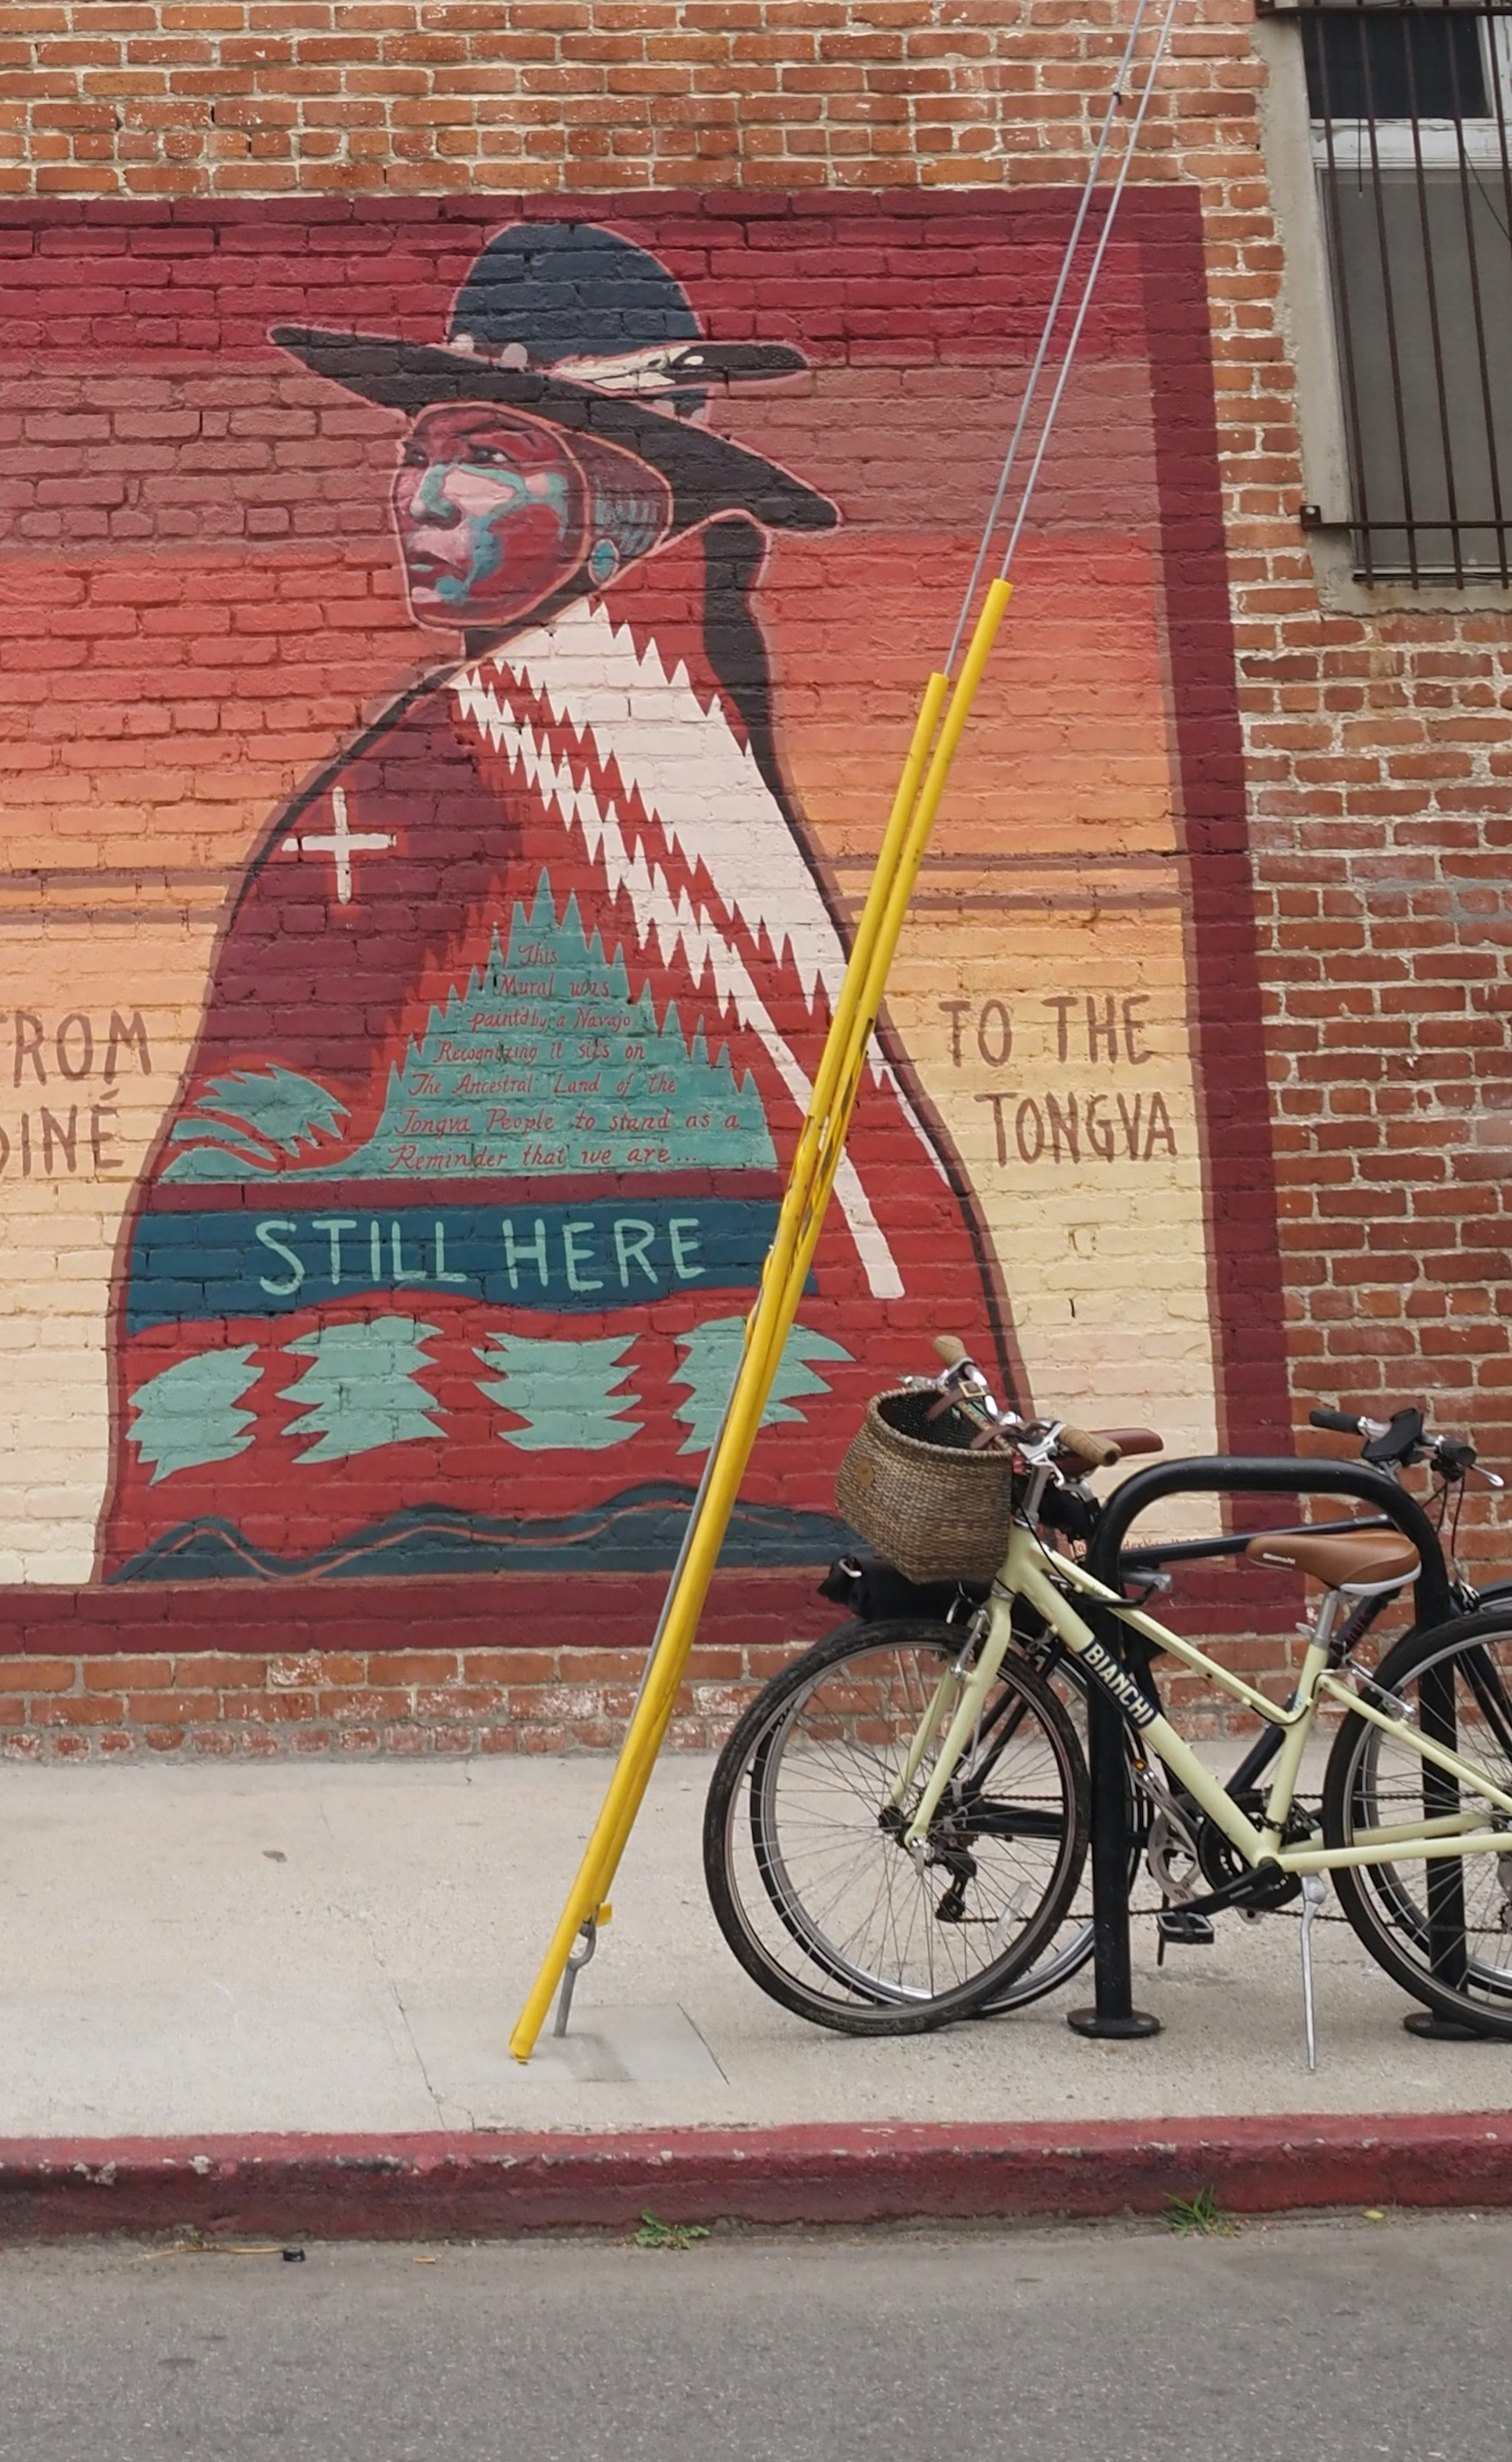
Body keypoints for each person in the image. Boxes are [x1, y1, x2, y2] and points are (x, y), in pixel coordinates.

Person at [102, 220, 1016, 1586]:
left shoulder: (553, 739)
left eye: (487, 458)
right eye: (417, 452)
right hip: (503, 1459)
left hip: (619, 1468)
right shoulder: (569, 729)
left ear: (625, 501)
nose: (420, 495)